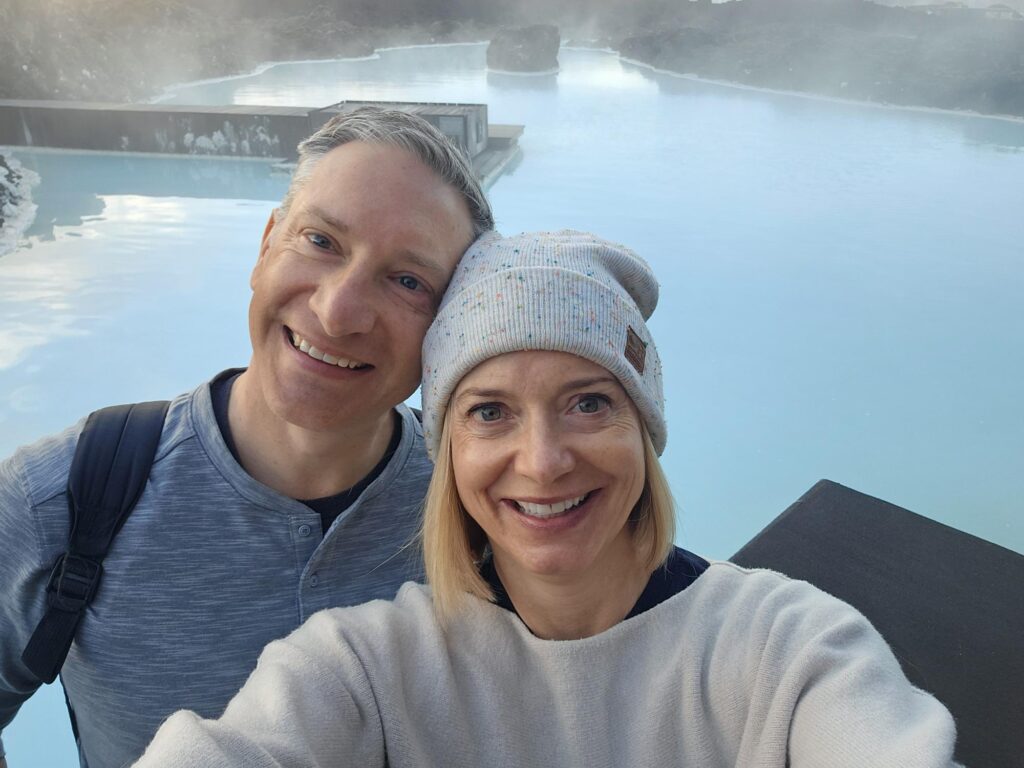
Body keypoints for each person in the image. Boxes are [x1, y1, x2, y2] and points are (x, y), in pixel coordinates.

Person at [132, 230, 961, 767]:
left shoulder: (789, 649)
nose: (544, 460)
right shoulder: (364, 668)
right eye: (490, 412)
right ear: (449, 449)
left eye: (589, 402)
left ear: (644, 427)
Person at [0, 107, 493, 768]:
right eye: (320, 241)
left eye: (408, 281)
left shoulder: (485, 506)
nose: (337, 310)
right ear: (267, 246)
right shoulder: (62, 499)